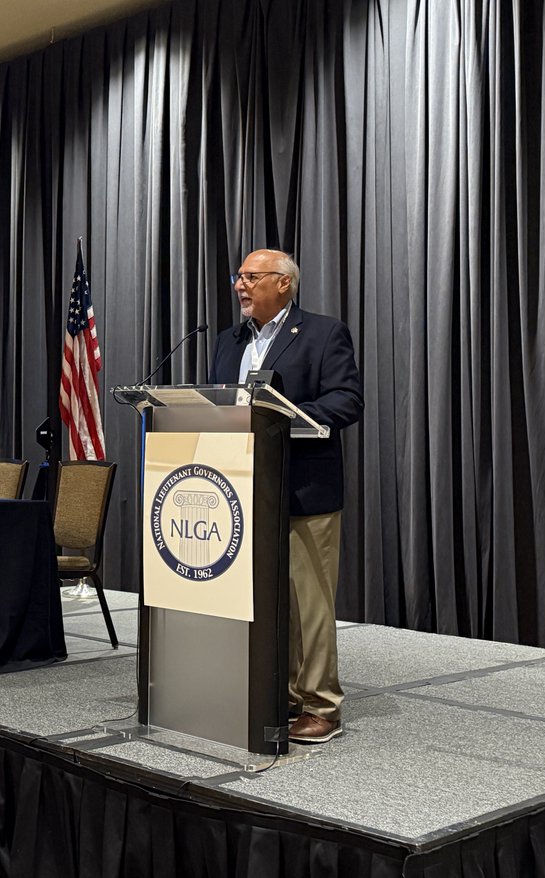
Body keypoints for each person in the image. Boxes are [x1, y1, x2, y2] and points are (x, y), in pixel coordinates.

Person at [210, 249, 363, 744]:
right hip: (241, 489)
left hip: (303, 488)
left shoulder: (323, 333)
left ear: (283, 283)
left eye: (251, 277)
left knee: (307, 603)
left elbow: (346, 400)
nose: (240, 285)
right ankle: (280, 690)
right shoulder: (228, 341)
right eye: (238, 277)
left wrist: (283, 413)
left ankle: (320, 705)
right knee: (260, 598)